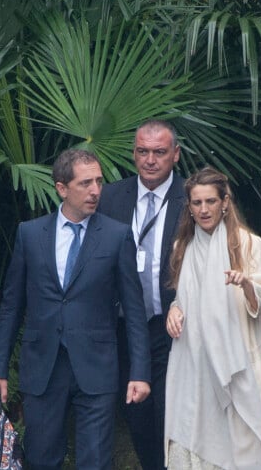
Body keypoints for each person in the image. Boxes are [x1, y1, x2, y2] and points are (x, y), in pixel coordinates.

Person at [0, 149, 151, 470]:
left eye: (99, 182)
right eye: (85, 183)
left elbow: (134, 310)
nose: (95, 191)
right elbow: (10, 307)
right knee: (41, 459)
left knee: (96, 462)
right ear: (62, 188)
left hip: (97, 366)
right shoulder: (30, 234)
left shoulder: (117, 236)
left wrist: (140, 373)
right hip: (42, 367)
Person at [165, 167, 261, 469]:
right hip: (194, 362)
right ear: (188, 207)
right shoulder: (182, 247)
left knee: (243, 447)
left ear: (225, 202)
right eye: (197, 203)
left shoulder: (249, 243)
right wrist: (174, 310)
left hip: (238, 361)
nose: (204, 210)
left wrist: (247, 284)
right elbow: (184, 297)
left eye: (210, 202)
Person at [98, 119, 185, 470]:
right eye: (143, 151)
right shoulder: (111, 197)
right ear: (133, 153)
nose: (150, 160)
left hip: (172, 326)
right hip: (122, 328)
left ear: (175, 155)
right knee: (136, 413)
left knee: (169, 413)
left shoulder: (192, 197)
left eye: (160, 152)